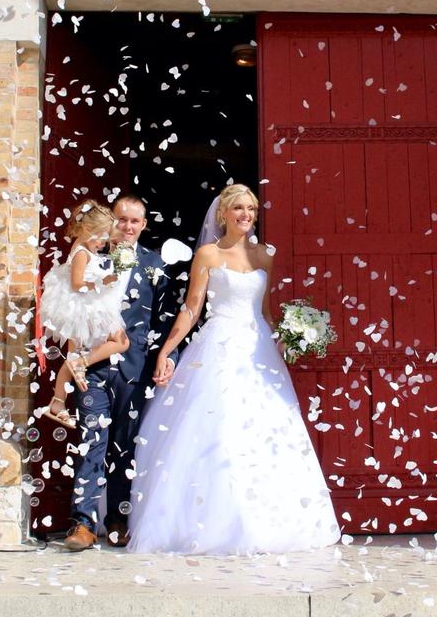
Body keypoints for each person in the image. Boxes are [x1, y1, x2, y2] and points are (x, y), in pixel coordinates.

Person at [126, 184, 342, 554]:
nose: (246, 215)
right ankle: (212, 523)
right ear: (223, 213)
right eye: (239, 208)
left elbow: (266, 311)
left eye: (252, 209)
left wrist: (289, 338)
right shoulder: (208, 255)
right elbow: (192, 309)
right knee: (219, 426)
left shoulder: (265, 256)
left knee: (268, 433)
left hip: (259, 352)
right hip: (218, 349)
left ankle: (269, 523)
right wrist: (167, 350)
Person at [61, 194, 181, 551]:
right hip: (93, 364)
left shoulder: (155, 265)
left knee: (124, 447)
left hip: (136, 368)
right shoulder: (89, 260)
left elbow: (165, 320)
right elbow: (71, 313)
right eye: (122, 220)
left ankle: (117, 519)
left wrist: (167, 359)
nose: (127, 227)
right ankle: (82, 524)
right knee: (91, 440)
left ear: (144, 226)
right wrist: (72, 363)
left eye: (134, 221)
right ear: (111, 222)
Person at [38, 200, 130, 429]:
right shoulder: (82, 253)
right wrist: (103, 281)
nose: (103, 243)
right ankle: (65, 390)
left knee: (75, 359)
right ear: (88, 230)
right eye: (100, 236)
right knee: (120, 342)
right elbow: (77, 283)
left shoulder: (85, 248)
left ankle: (58, 403)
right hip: (82, 307)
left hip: (84, 306)